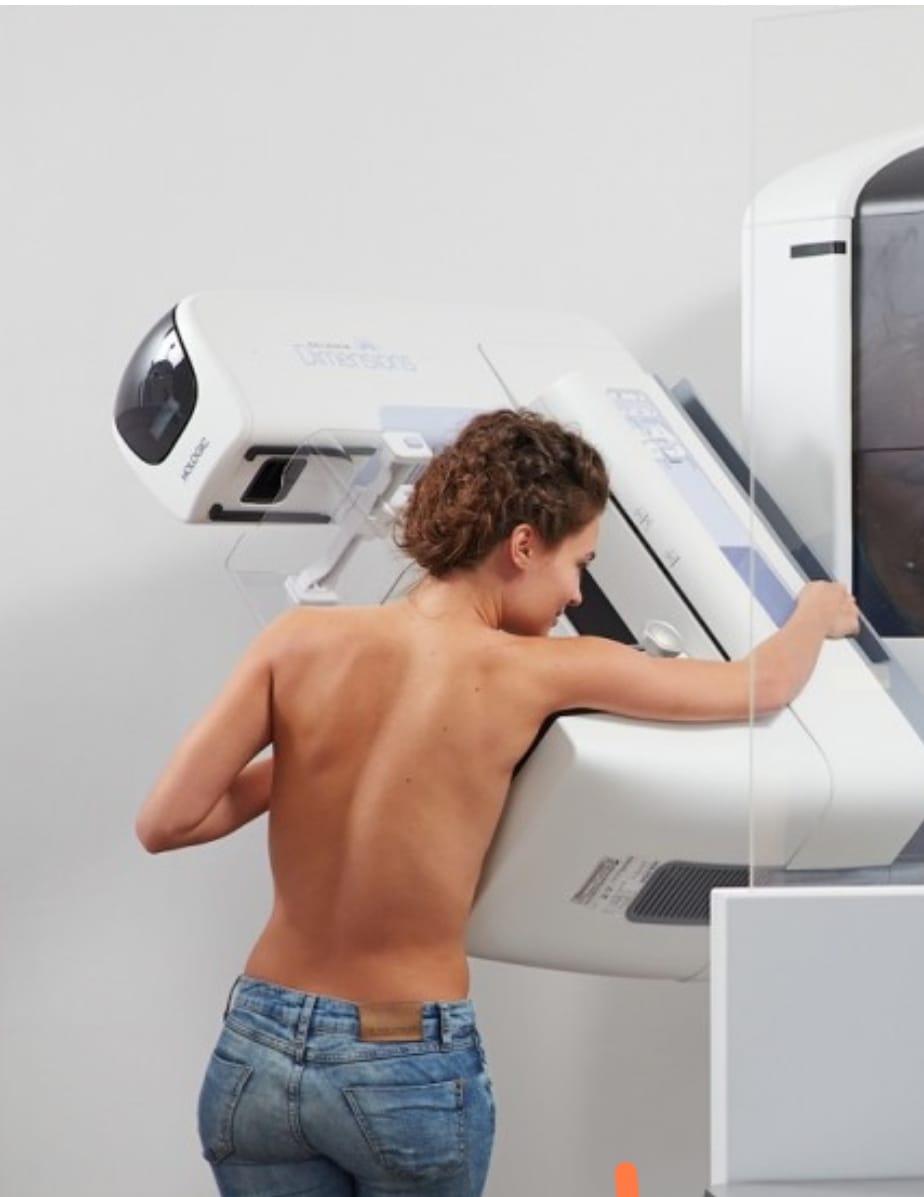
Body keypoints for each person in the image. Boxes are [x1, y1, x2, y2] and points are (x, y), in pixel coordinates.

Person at [135, 409, 859, 1196]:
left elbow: (165, 822)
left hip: (257, 1049)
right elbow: (761, 684)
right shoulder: (540, 670)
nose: (576, 593)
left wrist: (313, 756)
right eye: (579, 563)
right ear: (522, 545)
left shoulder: (298, 641)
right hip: (400, 1060)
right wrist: (816, 612)